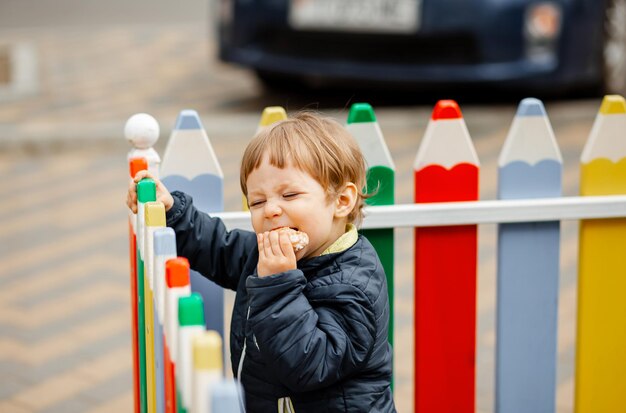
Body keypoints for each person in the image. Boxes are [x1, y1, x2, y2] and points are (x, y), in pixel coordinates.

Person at [127, 112, 396, 412]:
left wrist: (278, 284)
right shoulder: (268, 254)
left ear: (341, 201)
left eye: (289, 194)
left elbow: (312, 363)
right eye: (257, 201)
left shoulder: (354, 283)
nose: (270, 210)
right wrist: (174, 212)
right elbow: (221, 249)